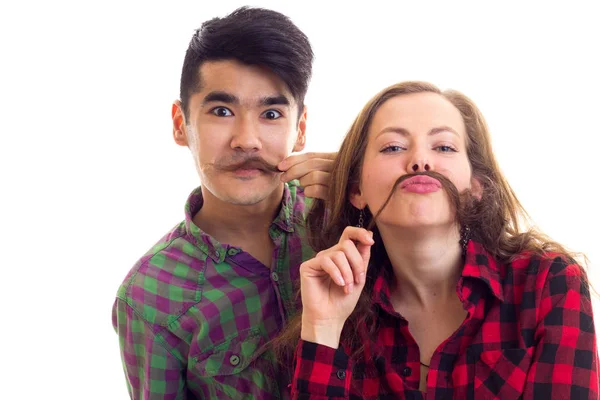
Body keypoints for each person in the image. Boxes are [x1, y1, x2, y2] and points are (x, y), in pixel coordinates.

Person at [276, 81, 599, 399]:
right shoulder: (332, 307)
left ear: (476, 186)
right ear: (356, 190)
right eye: (393, 147)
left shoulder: (548, 282)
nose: (420, 162)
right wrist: (323, 328)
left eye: (444, 147)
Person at [112, 7, 335, 399]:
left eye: (270, 113)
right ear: (181, 124)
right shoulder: (148, 296)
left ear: (299, 130)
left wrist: (367, 191)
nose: (246, 140)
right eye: (221, 111)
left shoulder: (342, 222)